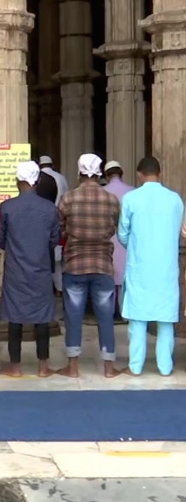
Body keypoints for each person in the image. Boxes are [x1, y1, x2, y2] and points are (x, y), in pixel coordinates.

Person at [0, 162, 60, 377]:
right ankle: (43, 367)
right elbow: (54, 240)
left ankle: (15, 367)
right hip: (40, 268)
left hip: (15, 269)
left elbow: (0, 239)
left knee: (15, 318)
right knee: (42, 318)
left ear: (16, 181)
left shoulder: (7, 208)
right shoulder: (50, 208)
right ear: (38, 181)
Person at [58, 153, 121, 378]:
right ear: (100, 173)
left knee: (73, 316)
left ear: (79, 173)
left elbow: (60, 231)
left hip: (75, 264)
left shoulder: (68, 199)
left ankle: (73, 367)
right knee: (105, 316)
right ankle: (108, 367)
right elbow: (113, 229)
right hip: (103, 264)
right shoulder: (111, 200)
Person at [119, 157, 183, 376]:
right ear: (160, 172)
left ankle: (135, 366)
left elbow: (122, 234)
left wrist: (137, 247)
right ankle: (165, 367)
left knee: (137, 318)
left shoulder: (130, 199)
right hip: (167, 267)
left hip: (140, 266)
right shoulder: (175, 200)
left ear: (139, 174)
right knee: (165, 320)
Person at [102, 160, 134, 320]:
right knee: (124, 279)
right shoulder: (132, 191)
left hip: (107, 238)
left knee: (109, 278)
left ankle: (108, 313)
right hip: (126, 239)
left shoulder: (102, 192)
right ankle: (125, 312)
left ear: (106, 176)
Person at [39, 155, 68, 293]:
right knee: (56, 256)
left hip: (41, 218)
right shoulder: (61, 177)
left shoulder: (39, 178)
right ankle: (59, 287)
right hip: (59, 217)